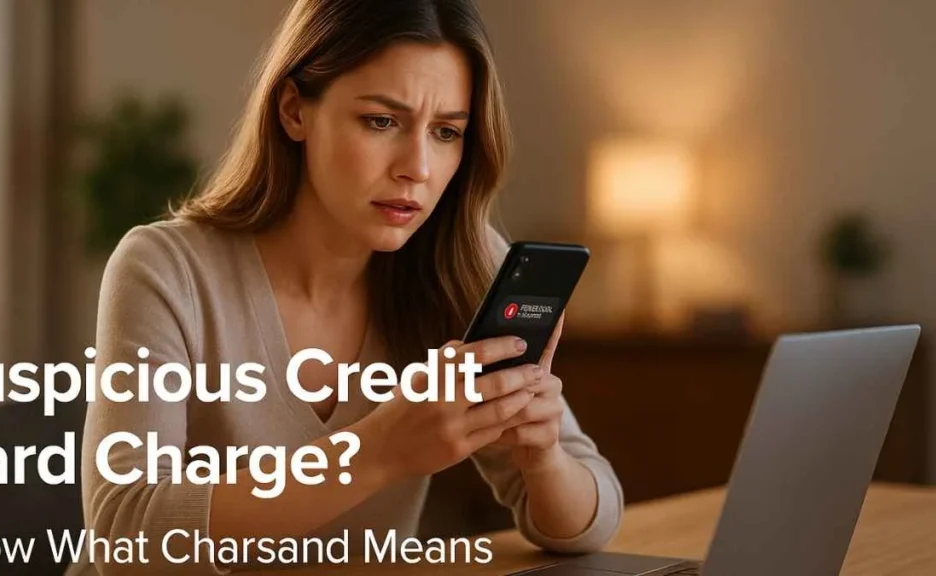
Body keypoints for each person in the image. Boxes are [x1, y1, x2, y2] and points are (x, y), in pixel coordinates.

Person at [72, 0, 623, 574]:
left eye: (446, 132)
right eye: (381, 121)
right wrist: (379, 450)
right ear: (294, 111)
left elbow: (592, 521)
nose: (418, 167)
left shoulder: (460, 260)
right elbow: (125, 536)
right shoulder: (165, 270)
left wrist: (542, 458)